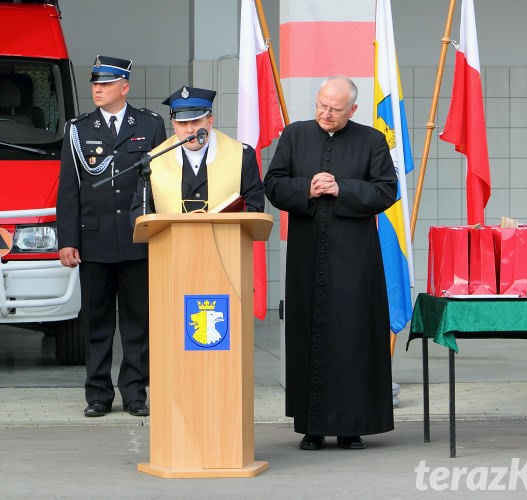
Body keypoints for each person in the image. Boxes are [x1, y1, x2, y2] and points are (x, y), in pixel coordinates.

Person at [264, 75, 397, 450]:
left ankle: (352, 425)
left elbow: (387, 190)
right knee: (309, 332)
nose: (325, 113)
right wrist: (306, 187)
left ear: (352, 110)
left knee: (352, 335)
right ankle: (312, 426)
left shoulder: (371, 140)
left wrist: (343, 188)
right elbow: (273, 184)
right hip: (307, 253)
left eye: (335, 110)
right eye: (321, 105)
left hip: (355, 257)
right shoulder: (295, 135)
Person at [56, 55, 166, 418]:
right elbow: (69, 190)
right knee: (97, 323)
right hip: (94, 240)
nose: (97, 89)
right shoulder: (79, 129)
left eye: (105, 83)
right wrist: (67, 239)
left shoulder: (150, 125)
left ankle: (135, 392)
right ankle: (98, 394)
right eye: (94, 84)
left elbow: (161, 184)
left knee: (136, 323)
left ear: (125, 87)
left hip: (137, 240)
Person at [130, 85, 264, 217]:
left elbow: (255, 206)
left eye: (196, 121)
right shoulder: (153, 160)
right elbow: (139, 210)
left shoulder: (241, 155)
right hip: (172, 238)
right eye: (182, 123)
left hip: (224, 237)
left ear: (210, 122)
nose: (189, 130)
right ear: (174, 125)